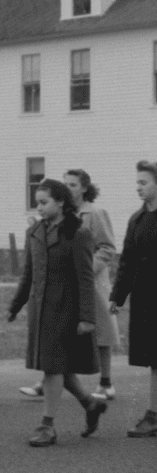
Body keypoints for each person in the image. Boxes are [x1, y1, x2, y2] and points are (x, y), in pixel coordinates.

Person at [7, 179, 105, 446]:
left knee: (52, 367)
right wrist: (16, 305)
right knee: (58, 365)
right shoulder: (35, 231)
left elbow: (85, 278)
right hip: (40, 311)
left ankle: (46, 426)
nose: (38, 207)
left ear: (60, 202)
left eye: (43, 202)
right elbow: (28, 273)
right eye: (37, 202)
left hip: (66, 311)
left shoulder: (78, 233)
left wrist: (87, 317)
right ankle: (90, 404)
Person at [110, 160, 157, 438]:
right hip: (146, 298)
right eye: (137, 182)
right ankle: (153, 416)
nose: (138, 187)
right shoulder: (137, 220)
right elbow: (127, 260)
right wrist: (118, 295)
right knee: (154, 359)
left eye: (144, 182)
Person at [68, 170, 122, 401]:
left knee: (102, 331)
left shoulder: (96, 212)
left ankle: (106, 382)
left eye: (73, 184)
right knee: (64, 328)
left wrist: (88, 268)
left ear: (84, 188)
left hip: (92, 280)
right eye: (65, 184)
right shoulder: (64, 213)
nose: (68, 188)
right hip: (68, 281)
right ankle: (50, 378)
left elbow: (108, 247)